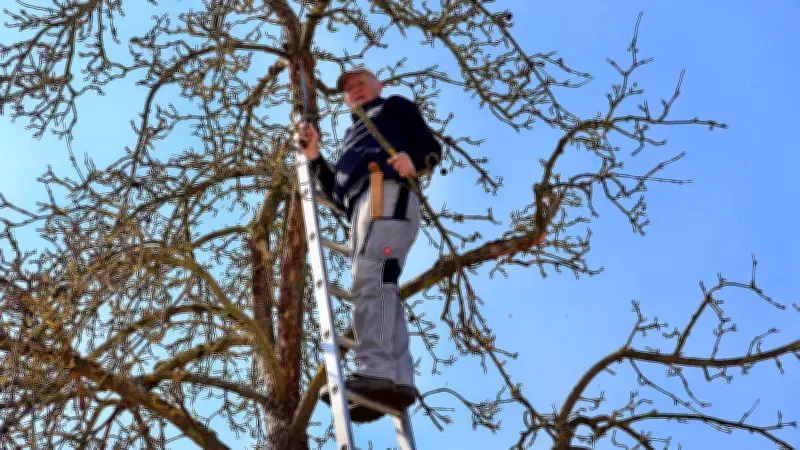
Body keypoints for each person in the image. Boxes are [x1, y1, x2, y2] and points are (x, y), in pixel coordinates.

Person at [294, 66, 442, 415]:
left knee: (370, 277)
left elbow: (430, 146)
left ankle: (376, 370)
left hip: (383, 193)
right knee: (382, 282)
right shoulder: (353, 135)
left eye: (361, 83)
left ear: (379, 85)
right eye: (349, 89)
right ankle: (396, 382)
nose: (355, 90)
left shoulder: (392, 107)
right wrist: (314, 156)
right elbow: (336, 193)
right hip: (363, 204)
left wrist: (414, 161)